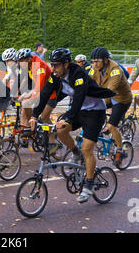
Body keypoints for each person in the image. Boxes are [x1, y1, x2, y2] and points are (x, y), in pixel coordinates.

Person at [29, 48, 115, 203]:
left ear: (66, 64)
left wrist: (67, 118)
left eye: (56, 65)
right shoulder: (56, 75)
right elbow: (45, 93)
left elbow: (79, 98)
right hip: (80, 111)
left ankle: (88, 184)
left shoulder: (78, 74)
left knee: (87, 148)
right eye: (52, 64)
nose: (53, 68)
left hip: (95, 112)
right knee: (61, 132)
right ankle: (76, 153)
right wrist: (34, 116)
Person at [88, 47, 132, 165]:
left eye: (97, 61)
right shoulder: (94, 68)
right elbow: (87, 81)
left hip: (120, 99)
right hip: (106, 96)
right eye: (93, 61)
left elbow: (110, 89)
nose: (94, 64)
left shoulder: (115, 70)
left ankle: (120, 149)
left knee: (112, 126)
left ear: (106, 60)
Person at [14, 48, 58, 152]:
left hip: (50, 94)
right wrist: (16, 93)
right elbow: (24, 80)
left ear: (28, 59)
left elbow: (40, 86)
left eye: (21, 61)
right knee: (25, 104)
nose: (20, 64)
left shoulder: (39, 65)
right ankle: (31, 128)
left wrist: (28, 94)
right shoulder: (28, 65)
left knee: (45, 116)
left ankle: (52, 141)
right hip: (40, 93)